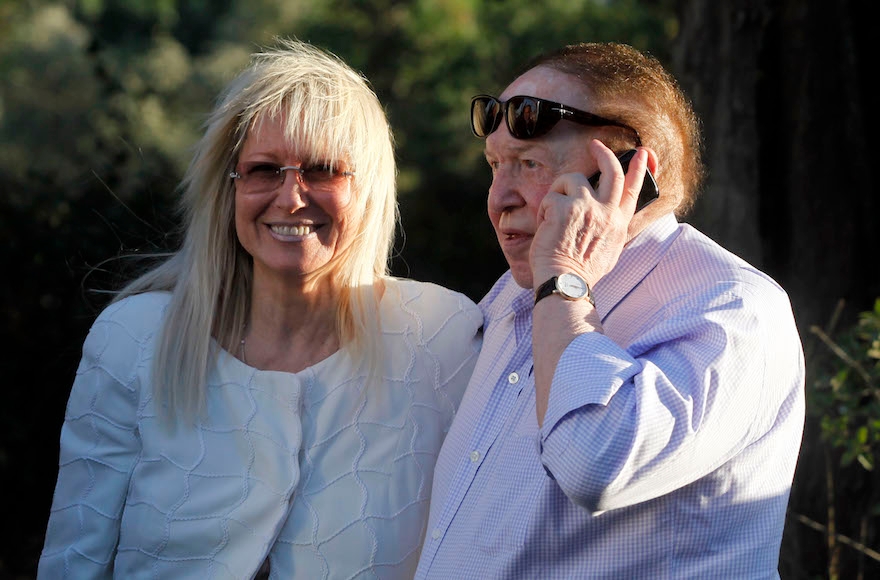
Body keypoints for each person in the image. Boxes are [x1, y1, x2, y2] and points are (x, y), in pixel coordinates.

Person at [38, 39, 482, 579]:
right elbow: (73, 558)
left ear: (369, 189)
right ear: (226, 189)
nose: (292, 197)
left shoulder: (441, 335)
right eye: (264, 170)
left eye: (322, 170)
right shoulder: (135, 337)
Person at [415, 42, 805, 579]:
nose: (498, 197)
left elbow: (593, 464)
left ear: (629, 172)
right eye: (494, 166)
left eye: (528, 164)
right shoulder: (514, 292)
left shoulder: (734, 308)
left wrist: (565, 280)